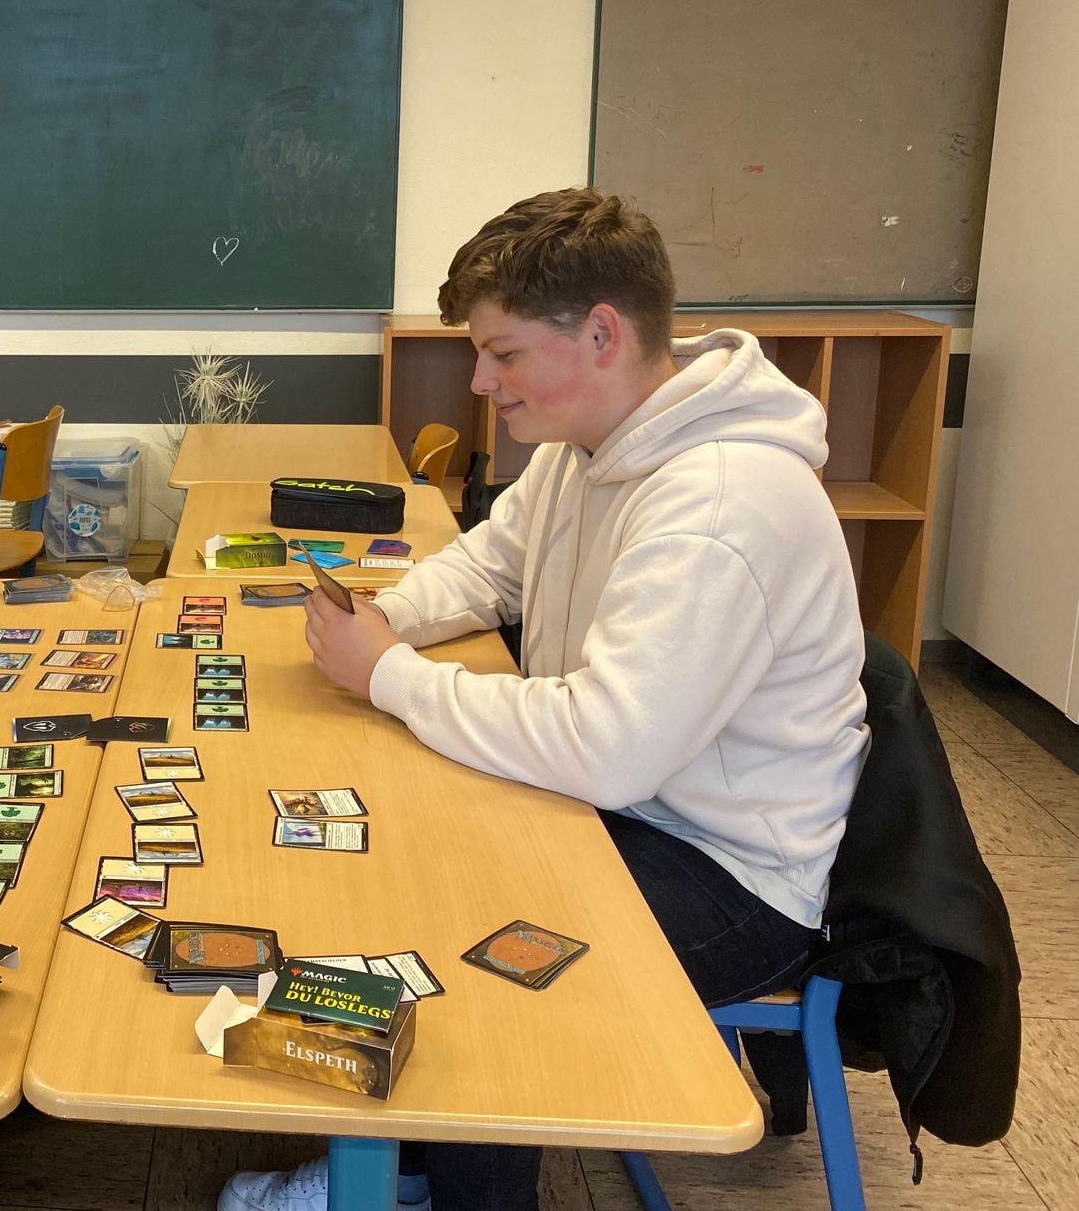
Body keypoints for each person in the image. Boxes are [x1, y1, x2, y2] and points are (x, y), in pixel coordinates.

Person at [221, 188, 870, 1211]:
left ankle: (446, 1188)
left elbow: (608, 749)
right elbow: (488, 567)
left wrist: (389, 674)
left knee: (477, 958)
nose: (482, 382)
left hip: (730, 873)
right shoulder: (590, 445)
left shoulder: (721, 503)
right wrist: (384, 622)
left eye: (503, 353)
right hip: (630, 806)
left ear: (602, 334)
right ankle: (407, 1159)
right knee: (410, 856)